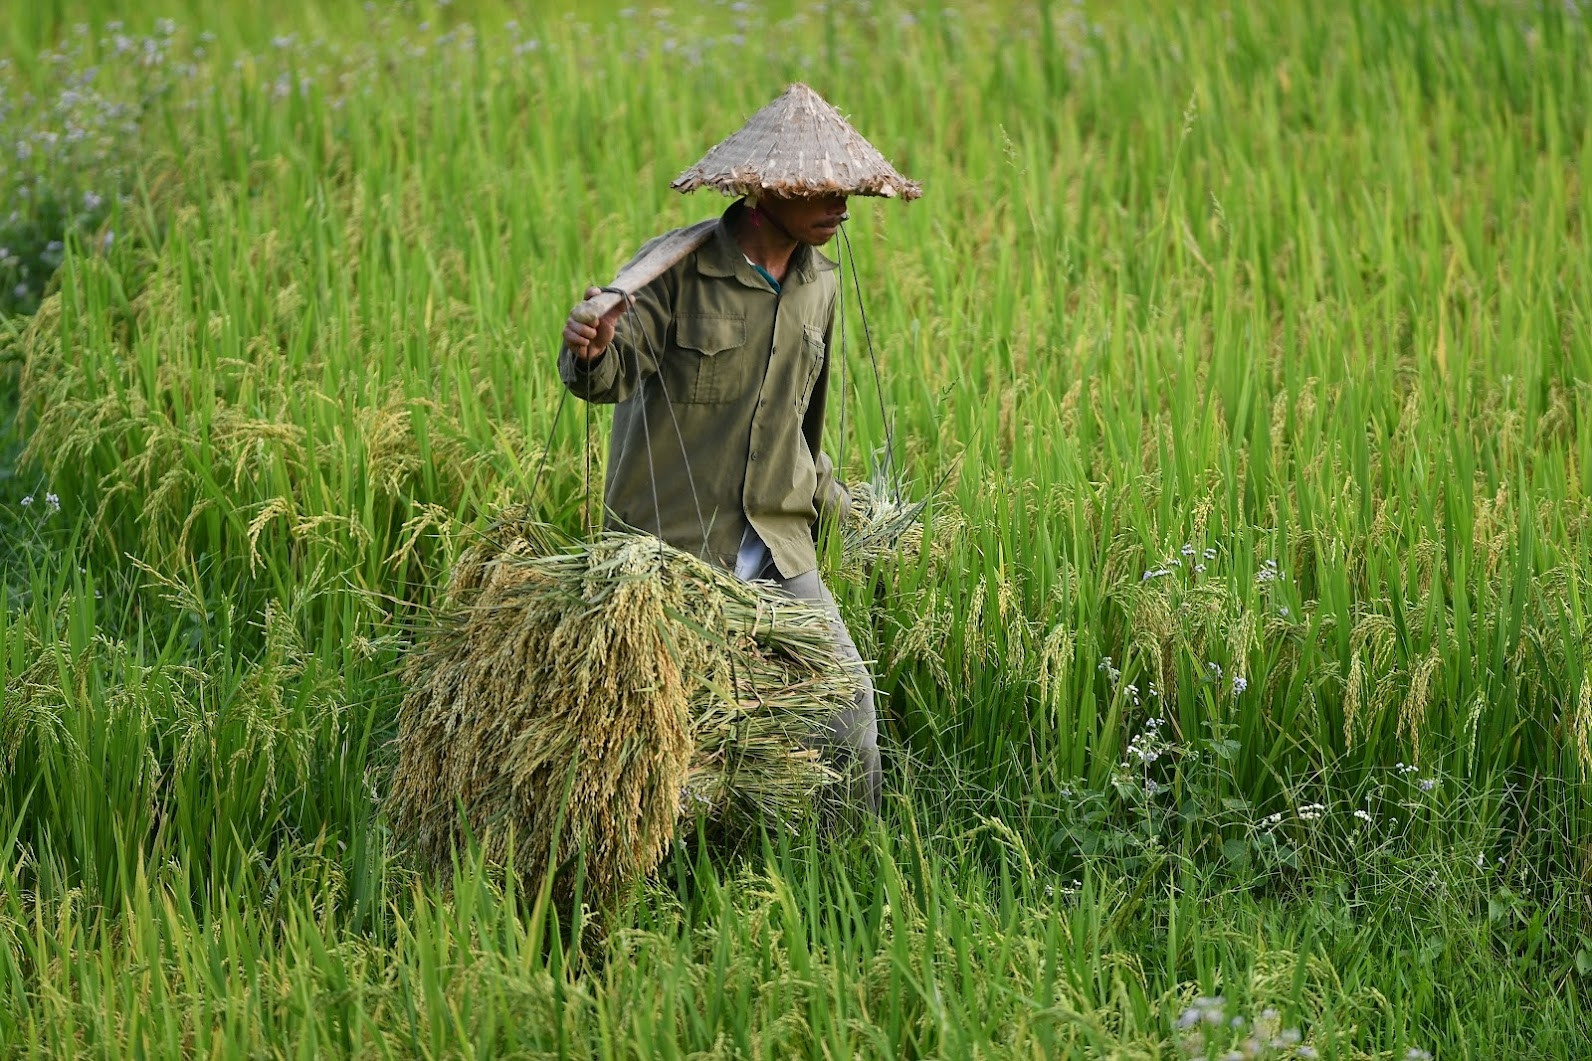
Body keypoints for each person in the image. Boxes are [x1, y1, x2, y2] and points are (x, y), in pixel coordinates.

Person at [556, 84, 920, 812]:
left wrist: (846, 509)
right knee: (670, 748)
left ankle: (852, 873)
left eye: (848, 187)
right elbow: (607, 373)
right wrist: (591, 350)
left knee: (849, 715)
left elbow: (796, 434)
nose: (840, 204)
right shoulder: (673, 275)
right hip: (672, 557)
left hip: (779, 550)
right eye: (819, 187)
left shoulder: (820, 285)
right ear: (763, 190)